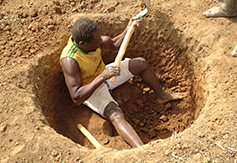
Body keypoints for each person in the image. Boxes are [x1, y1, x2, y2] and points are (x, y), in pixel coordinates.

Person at [60, 17, 184, 148]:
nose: (101, 41)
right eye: (96, 41)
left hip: (105, 74)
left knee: (141, 63)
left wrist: (128, 28)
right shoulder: (70, 60)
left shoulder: (95, 40)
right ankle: (142, 150)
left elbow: (113, 44)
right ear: (82, 43)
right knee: (116, 115)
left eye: (99, 37)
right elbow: (76, 96)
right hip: (90, 89)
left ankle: (162, 96)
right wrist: (102, 77)